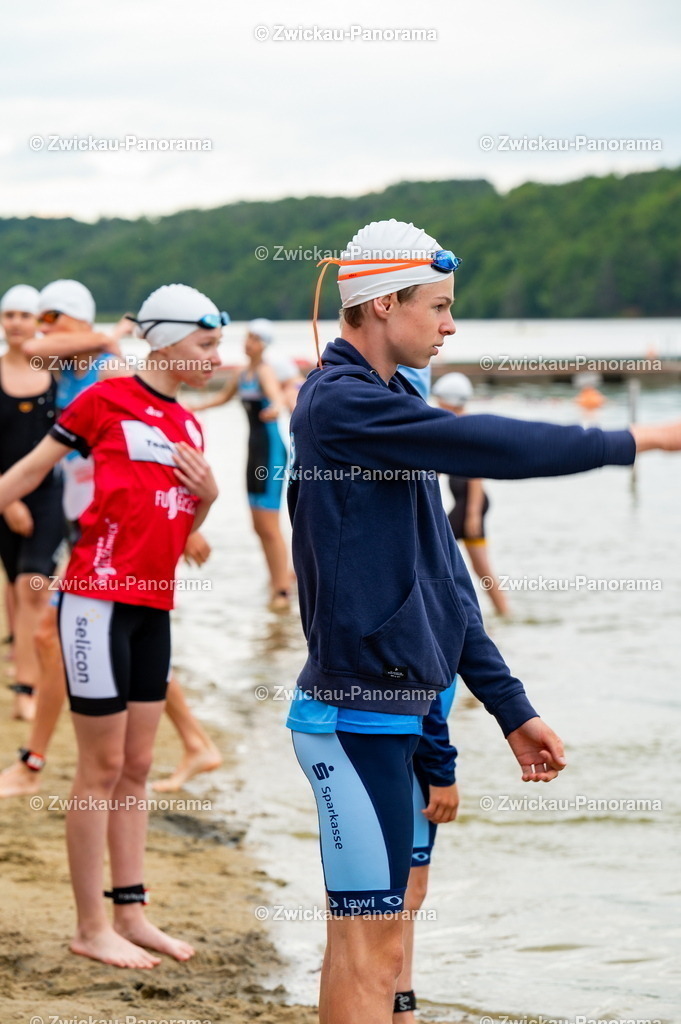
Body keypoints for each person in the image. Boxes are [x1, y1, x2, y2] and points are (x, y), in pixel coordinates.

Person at [284, 218, 681, 1024]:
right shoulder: (339, 406)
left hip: (399, 713)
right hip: (351, 714)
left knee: (381, 944)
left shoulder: (393, 402)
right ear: (383, 303)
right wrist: (632, 438)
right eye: (437, 307)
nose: (450, 324)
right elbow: (487, 442)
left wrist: (510, 708)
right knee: (365, 944)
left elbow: (445, 581)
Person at [0, 283, 222, 968]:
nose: (216, 356)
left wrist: (209, 499)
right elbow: (29, 471)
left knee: (135, 766)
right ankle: (89, 926)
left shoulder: (189, 425)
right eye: (205, 344)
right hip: (94, 601)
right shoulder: (105, 397)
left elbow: (181, 529)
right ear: (163, 340)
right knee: (97, 769)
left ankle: (133, 913)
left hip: (154, 610)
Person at [193, 318, 291, 610]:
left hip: (271, 450)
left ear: (263, 344)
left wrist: (274, 409)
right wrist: (193, 407)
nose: (247, 342)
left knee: (269, 524)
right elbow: (223, 398)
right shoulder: (242, 373)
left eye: (253, 338)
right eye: (246, 337)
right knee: (258, 525)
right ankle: (277, 579)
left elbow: (277, 400)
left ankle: (282, 590)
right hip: (254, 450)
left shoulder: (264, 371)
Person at [0, 285, 65, 721]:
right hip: (5, 498)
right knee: (15, 586)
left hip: (48, 496)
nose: (17, 323)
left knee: (32, 586)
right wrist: (8, 503)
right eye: (10, 315)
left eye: (27, 315)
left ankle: (28, 686)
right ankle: (29, 667)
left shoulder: (55, 372)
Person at [394, 678, 459, 1021]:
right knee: (408, 894)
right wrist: (441, 772)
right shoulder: (434, 620)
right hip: (412, 748)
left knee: (369, 888)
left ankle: (398, 1005)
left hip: (383, 739)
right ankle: (401, 1010)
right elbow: (421, 686)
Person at [432, 372, 509, 616]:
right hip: (468, 503)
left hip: (470, 503)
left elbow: (476, 474)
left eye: (440, 400)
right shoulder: (452, 425)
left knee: (431, 550)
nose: (436, 405)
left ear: (450, 401)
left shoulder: (462, 426)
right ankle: (505, 612)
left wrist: (473, 513)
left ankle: (449, 612)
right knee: (481, 567)